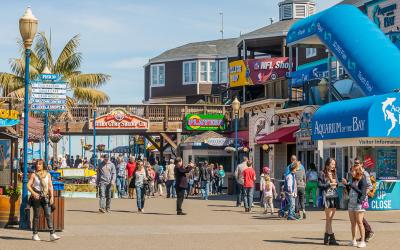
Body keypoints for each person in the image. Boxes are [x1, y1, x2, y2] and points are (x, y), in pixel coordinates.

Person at [27, 159, 61, 241]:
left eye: (40, 164)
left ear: (43, 165)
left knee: (48, 214)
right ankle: (35, 234)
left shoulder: (48, 174)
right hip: (37, 197)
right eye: (37, 164)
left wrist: (52, 196)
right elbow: (28, 185)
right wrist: (34, 193)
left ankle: (52, 234)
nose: (37, 165)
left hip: (45, 196)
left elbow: (50, 186)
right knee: (36, 216)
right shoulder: (34, 175)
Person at [342, 164, 368, 248]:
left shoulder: (363, 180)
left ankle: (363, 241)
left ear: (357, 171)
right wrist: (346, 185)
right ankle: (353, 240)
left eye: (353, 171)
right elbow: (351, 190)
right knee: (353, 223)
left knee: (360, 222)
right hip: (351, 203)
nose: (351, 172)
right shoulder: (353, 179)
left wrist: (351, 185)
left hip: (359, 204)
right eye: (351, 171)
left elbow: (362, 192)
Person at [318, 158, 340, 245]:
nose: (333, 166)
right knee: (328, 218)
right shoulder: (322, 173)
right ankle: (332, 237)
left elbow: (337, 183)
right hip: (326, 197)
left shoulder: (334, 173)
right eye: (332, 164)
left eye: (334, 164)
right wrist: (329, 184)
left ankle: (326, 237)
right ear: (327, 164)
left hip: (334, 197)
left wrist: (336, 184)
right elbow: (319, 185)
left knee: (330, 219)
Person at [354, 159, 375, 242]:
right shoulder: (355, 172)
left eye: (357, 163)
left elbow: (370, 186)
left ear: (361, 164)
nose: (356, 164)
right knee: (358, 217)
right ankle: (366, 234)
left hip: (362, 198)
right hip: (356, 197)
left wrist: (364, 194)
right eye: (355, 163)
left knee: (359, 217)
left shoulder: (365, 174)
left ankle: (369, 231)